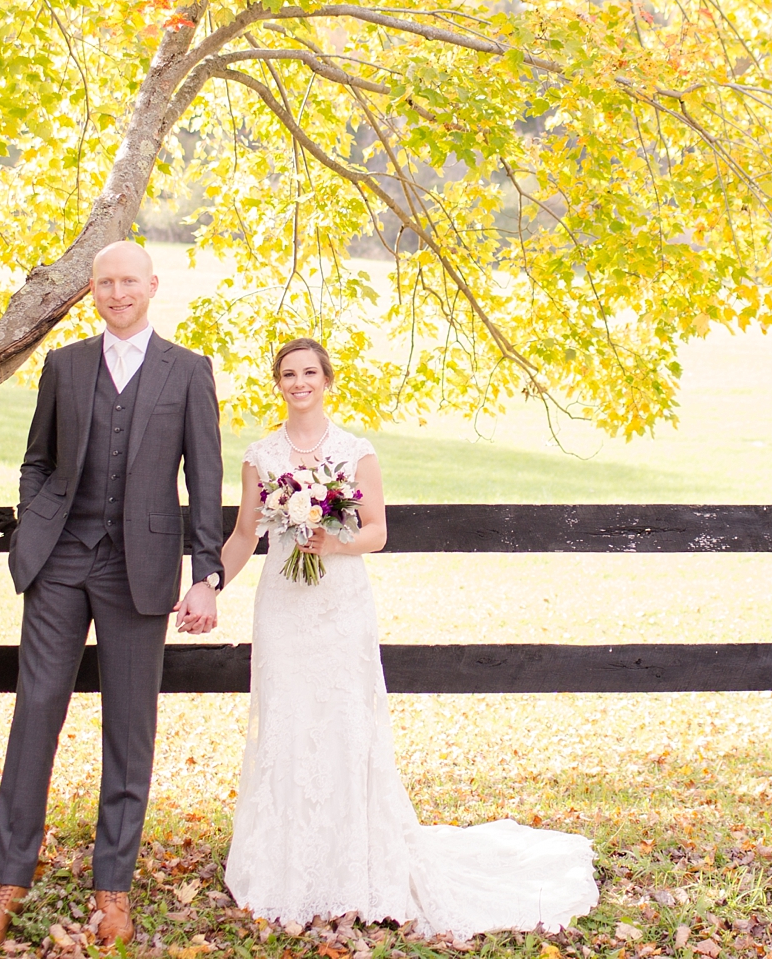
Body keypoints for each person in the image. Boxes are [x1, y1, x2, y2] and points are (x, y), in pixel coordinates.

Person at [218, 338, 598, 938]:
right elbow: (243, 535)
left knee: (345, 724)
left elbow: (377, 532)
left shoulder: (354, 452)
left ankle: (351, 871)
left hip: (340, 604)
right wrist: (210, 584)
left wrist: (331, 542)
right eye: (288, 374)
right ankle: (286, 870)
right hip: (284, 609)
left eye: (309, 372)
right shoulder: (260, 456)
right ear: (278, 382)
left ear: (327, 379)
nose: (299, 382)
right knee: (288, 720)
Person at [0, 241, 227, 952]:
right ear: (93, 289)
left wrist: (206, 572)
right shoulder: (66, 365)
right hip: (59, 566)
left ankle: (113, 888)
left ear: (152, 285)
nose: (117, 293)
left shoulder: (189, 371)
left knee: (129, 731)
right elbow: (37, 460)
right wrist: (35, 529)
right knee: (35, 716)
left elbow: (206, 481)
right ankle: (7, 879)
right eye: (106, 282)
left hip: (138, 573)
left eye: (128, 282)